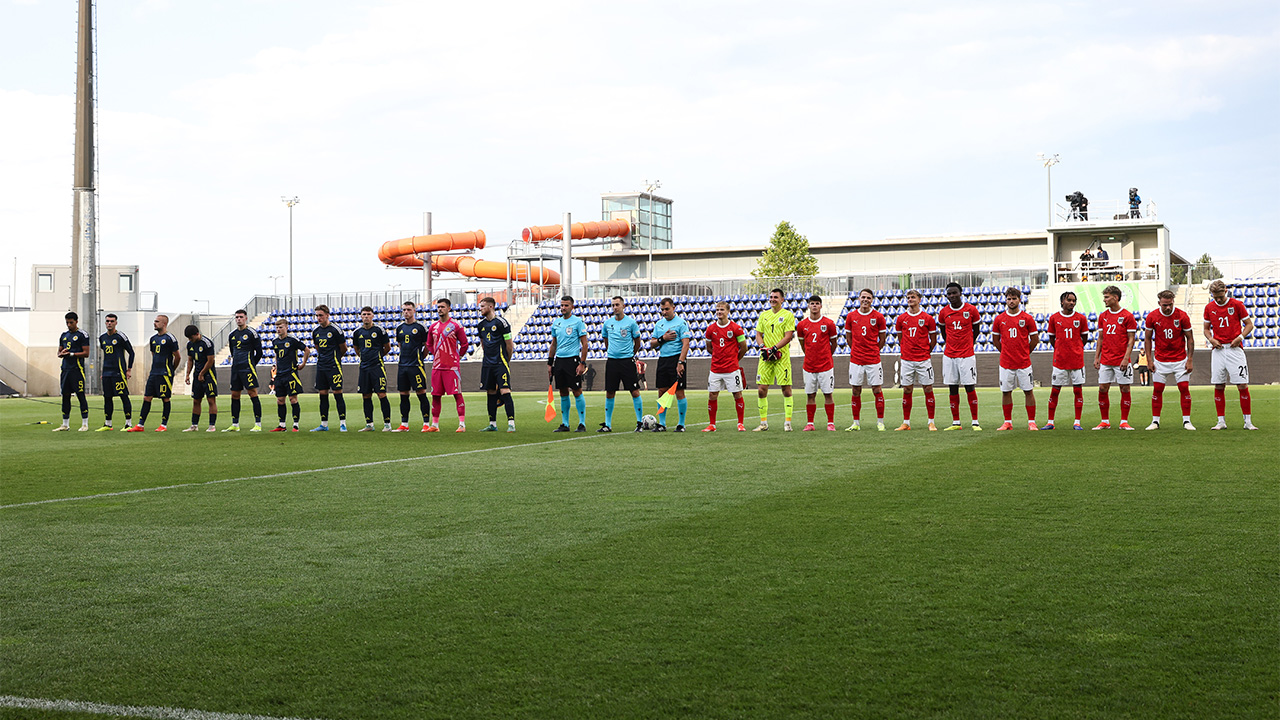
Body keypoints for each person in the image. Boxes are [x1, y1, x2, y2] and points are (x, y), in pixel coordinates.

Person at [1203, 279, 1256, 430]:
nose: (1218, 299)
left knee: (1242, 384)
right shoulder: (1209, 307)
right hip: (1218, 350)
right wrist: (1211, 339)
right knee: (1219, 385)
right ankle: (1221, 421)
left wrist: (1240, 337)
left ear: (1225, 291)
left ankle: (1248, 422)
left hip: (1235, 349)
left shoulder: (1237, 304)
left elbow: (1249, 324)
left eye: (1220, 296)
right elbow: (1206, 329)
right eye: (1215, 296)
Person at [1144, 289, 1195, 430]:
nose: (1167, 308)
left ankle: (1187, 421)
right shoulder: (1152, 317)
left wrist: (1189, 359)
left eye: (1170, 305)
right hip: (1160, 360)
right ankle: (1155, 421)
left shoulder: (1182, 316)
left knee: (1184, 388)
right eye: (1165, 305)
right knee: (1158, 389)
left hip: (1180, 359)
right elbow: (1147, 339)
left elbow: (1190, 339)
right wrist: (1149, 360)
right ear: (1159, 303)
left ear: (1173, 302)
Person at [991, 287, 1039, 431]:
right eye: (1009, 299)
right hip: (1006, 363)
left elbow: (1035, 339)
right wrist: (1005, 352)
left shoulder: (1027, 318)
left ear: (1019, 299)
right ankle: (1008, 422)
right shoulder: (999, 319)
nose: (1011, 301)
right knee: (1006, 391)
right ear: (1006, 300)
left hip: (1024, 363)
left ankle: (1031, 422)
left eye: (1014, 298)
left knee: (1028, 391)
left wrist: (1024, 352)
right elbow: (995, 340)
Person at [938, 282, 982, 431]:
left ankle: (975, 422)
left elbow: (976, 331)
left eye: (954, 293)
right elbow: (943, 333)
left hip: (967, 355)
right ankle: (956, 422)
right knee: (952, 388)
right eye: (949, 294)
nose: (952, 296)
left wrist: (968, 343)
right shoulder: (944, 312)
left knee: (970, 386)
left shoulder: (971, 310)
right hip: (949, 355)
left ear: (960, 293)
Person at [1093, 285, 1137, 430]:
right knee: (1103, 388)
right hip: (1106, 359)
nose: (1104, 300)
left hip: (1121, 360)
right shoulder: (1103, 316)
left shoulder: (1127, 316)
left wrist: (1126, 358)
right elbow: (1100, 338)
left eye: (1107, 297)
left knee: (1124, 389)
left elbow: (1131, 339)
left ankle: (1124, 421)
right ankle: (1105, 421)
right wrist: (1096, 357)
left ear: (1115, 298)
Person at [893, 289, 939, 431]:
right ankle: (906, 422)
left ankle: (931, 422)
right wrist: (907, 349)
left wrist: (925, 351)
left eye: (913, 297)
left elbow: (933, 340)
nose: (910, 299)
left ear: (919, 300)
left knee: (928, 388)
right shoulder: (901, 319)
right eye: (908, 297)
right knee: (907, 389)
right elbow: (901, 338)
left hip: (923, 359)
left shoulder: (928, 318)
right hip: (907, 360)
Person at [1043, 291, 1088, 430]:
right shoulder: (1054, 318)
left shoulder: (1081, 318)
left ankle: (1077, 422)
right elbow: (1052, 339)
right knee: (1055, 391)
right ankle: (1050, 422)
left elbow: (1084, 338)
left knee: (1078, 391)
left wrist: (1076, 348)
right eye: (1069, 300)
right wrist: (1060, 349)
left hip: (1077, 361)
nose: (1072, 303)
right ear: (1062, 301)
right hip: (1060, 361)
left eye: (1074, 300)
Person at [127, 314, 180, 432]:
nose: (154, 323)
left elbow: (177, 356)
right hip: (154, 373)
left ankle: (164, 425)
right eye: (154, 321)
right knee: (147, 397)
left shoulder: (170, 338)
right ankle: (140, 425)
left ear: (164, 324)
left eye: (157, 321)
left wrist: (171, 370)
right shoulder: (153, 339)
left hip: (165, 374)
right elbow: (153, 355)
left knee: (165, 398)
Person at [844, 288, 887, 431]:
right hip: (856, 359)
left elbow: (882, 339)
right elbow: (848, 338)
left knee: (877, 389)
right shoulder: (851, 316)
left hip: (873, 359)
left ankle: (880, 422)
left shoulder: (879, 317)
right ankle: (856, 423)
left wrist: (874, 350)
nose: (865, 300)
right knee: (856, 390)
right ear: (859, 299)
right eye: (863, 297)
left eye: (868, 298)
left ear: (872, 300)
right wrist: (855, 350)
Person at [599, 296, 644, 433]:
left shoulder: (631, 323)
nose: (614, 307)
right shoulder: (607, 323)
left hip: (627, 361)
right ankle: (607, 424)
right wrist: (612, 351)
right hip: (612, 361)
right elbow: (606, 340)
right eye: (612, 305)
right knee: (610, 392)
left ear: (623, 306)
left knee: (634, 391)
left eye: (617, 304)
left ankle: (639, 422)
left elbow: (637, 341)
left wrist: (631, 353)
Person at [754, 288, 796, 431]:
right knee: (761, 390)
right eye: (771, 297)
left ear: (782, 299)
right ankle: (763, 423)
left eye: (776, 297)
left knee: (786, 389)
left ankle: (788, 423)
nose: (772, 299)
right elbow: (758, 334)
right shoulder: (763, 315)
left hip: (781, 357)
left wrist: (774, 349)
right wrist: (763, 347)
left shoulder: (788, 315)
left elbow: (788, 336)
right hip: (765, 357)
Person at [796, 294, 840, 431]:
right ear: (808, 306)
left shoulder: (829, 324)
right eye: (812, 303)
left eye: (817, 303)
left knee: (828, 393)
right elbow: (803, 344)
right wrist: (810, 355)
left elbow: (834, 343)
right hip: (809, 366)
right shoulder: (802, 325)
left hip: (825, 365)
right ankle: (810, 423)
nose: (814, 306)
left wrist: (826, 355)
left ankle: (830, 423)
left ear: (821, 306)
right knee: (810, 394)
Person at [426, 298, 470, 432]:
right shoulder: (433, 327)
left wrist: (458, 357)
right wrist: (436, 355)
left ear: (449, 308)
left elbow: (464, 344)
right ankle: (435, 425)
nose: (440, 309)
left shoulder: (456, 326)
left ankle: (462, 424)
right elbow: (428, 344)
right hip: (437, 367)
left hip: (452, 367)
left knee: (457, 394)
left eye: (443, 307)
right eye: (438, 307)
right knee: (435, 395)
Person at [703, 300, 748, 432]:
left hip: (731, 369)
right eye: (717, 310)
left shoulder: (736, 328)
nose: (719, 312)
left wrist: (734, 360)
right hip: (716, 369)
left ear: (728, 312)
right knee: (712, 395)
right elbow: (709, 348)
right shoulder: (710, 329)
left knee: (737, 394)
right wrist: (718, 357)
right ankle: (712, 425)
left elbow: (744, 348)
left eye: (722, 310)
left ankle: (740, 423)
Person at [649, 297, 692, 432]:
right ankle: (662, 424)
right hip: (663, 359)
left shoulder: (681, 323)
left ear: (673, 308)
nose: (664, 312)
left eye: (667, 309)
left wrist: (681, 362)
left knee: (679, 391)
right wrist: (663, 338)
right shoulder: (659, 324)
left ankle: (681, 424)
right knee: (662, 391)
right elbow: (652, 344)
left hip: (676, 359)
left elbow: (686, 344)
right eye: (662, 309)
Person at [548, 295, 589, 432]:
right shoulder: (556, 323)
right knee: (563, 391)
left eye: (566, 305)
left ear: (572, 307)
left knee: (577, 391)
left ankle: (582, 423)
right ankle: (565, 424)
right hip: (559, 361)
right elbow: (554, 344)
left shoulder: (578, 322)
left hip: (573, 360)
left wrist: (582, 363)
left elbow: (584, 344)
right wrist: (550, 363)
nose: (563, 308)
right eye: (562, 305)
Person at [477, 296, 516, 432]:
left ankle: (511, 423)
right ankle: (492, 424)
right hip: (487, 364)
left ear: (491, 307)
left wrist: (506, 360)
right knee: (490, 392)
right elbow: (483, 344)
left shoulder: (501, 323)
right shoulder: (481, 325)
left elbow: (509, 345)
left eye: (482, 306)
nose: (480, 309)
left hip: (500, 363)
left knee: (505, 390)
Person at [352, 306, 393, 431]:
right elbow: (356, 348)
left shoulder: (379, 330)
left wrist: (377, 357)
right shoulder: (357, 332)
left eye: (368, 314)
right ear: (360, 316)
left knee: (381, 394)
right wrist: (364, 357)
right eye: (364, 314)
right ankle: (369, 424)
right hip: (364, 368)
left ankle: (387, 424)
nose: (366, 316)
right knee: (366, 395)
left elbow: (387, 347)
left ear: (372, 316)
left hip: (377, 367)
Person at [223, 309, 264, 432]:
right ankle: (235, 424)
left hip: (247, 368)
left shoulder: (252, 333)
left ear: (246, 318)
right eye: (236, 317)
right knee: (235, 395)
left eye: (241, 317)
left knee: (252, 393)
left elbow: (259, 352)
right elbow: (232, 351)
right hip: (236, 368)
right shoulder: (232, 335)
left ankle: (258, 424)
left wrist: (251, 364)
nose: (238, 319)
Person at [393, 301, 430, 432]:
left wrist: (420, 358)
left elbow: (427, 345)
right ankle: (404, 424)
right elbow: (400, 345)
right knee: (403, 394)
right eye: (404, 310)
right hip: (403, 365)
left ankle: (426, 423)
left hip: (416, 366)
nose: (406, 312)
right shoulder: (400, 328)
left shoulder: (420, 327)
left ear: (414, 311)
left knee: (421, 393)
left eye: (408, 309)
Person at [310, 304, 348, 432]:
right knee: (322, 394)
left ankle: (343, 423)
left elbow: (344, 348)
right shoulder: (316, 332)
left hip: (333, 366)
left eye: (321, 315)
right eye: (317, 316)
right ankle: (324, 424)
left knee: (337, 393)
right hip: (321, 366)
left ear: (327, 315)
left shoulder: (335, 330)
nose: (318, 318)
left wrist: (335, 358)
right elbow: (317, 348)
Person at [269, 318, 309, 432]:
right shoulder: (275, 341)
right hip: (280, 375)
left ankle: (296, 425)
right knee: (280, 400)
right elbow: (277, 355)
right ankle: (282, 425)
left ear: (286, 327)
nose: (278, 329)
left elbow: (306, 350)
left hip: (290, 374)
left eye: (281, 327)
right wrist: (276, 367)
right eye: (277, 327)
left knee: (293, 399)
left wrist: (303, 364)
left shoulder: (292, 340)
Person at [53, 311, 90, 431]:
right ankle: (65, 424)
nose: (69, 325)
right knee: (65, 396)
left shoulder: (82, 335)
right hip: (65, 370)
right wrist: (61, 353)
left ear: (76, 321)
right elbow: (59, 352)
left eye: (71, 322)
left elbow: (86, 353)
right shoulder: (64, 335)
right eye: (67, 323)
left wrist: (72, 354)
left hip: (77, 370)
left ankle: (85, 424)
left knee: (80, 395)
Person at [97, 312, 134, 431]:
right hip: (107, 373)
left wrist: (128, 369)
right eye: (107, 321)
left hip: (119, 373)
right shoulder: (102, 338)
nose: (109, 323)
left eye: (112, 321)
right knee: (107, 397)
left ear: (116, 323)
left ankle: (128, 423)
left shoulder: (121, 336)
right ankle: (108, 424)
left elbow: (131, 352)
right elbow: (106, 355)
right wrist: (103, 372)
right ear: (105, 322)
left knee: (123, 396)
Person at [182, 324, 219, 432]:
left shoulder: (207, 343)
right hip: (197, 375)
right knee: (196, 400)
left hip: (209, 375)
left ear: (197, 334)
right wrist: (188, 374)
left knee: (211, 400)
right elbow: (190, 360)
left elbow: (210, 360)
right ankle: (194, 425)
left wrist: (202, 373)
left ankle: (212, 426)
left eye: (191, 337)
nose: (190, 340)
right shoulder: (190, 344)